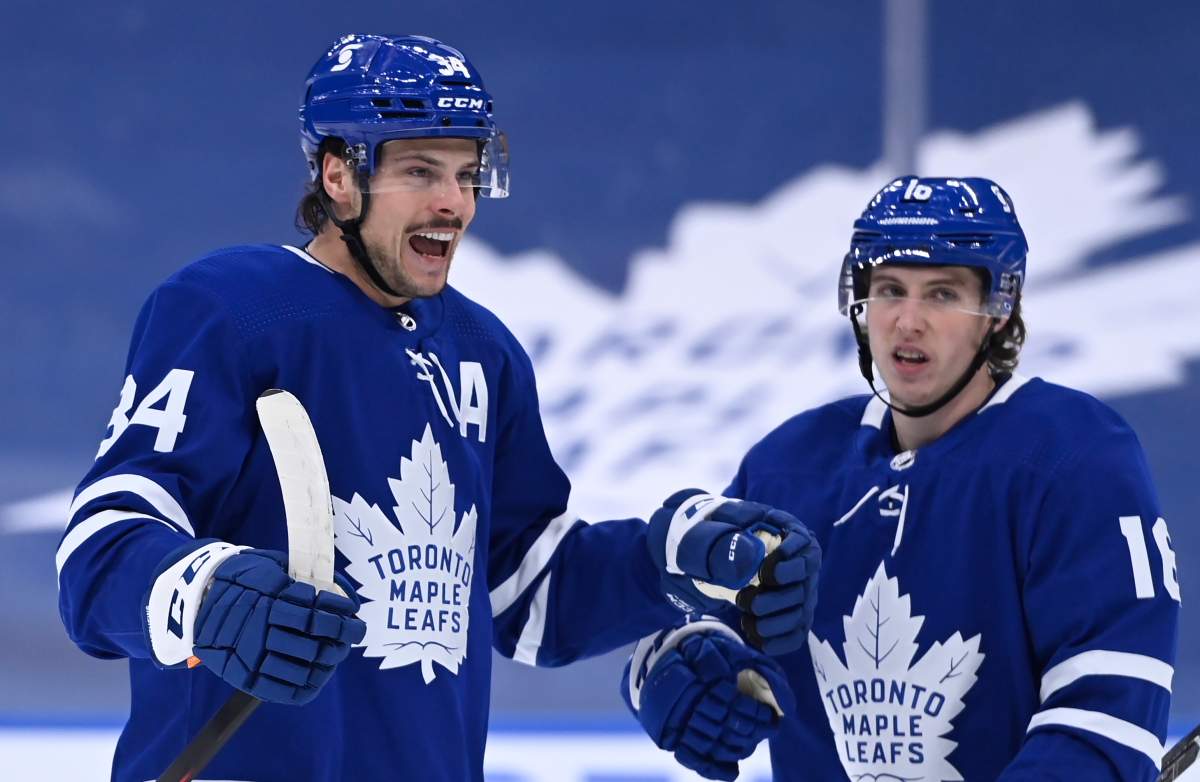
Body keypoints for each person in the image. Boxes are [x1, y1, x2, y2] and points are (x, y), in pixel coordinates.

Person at [54, 34, 820, 782]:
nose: (453, 203)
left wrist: (663, 559)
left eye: (468, 173)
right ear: (337, 177)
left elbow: (526, 594)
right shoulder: (232, 310)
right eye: (421, 171)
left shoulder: (484, 352)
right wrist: (205, 592)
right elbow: (101, 550)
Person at [625, 177, 1181, 781]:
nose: (907, 321)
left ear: (997, 311)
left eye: (941, 294)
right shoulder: (788, 469)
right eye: (889, 289)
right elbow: (672, 632)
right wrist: (681, 667)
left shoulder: (1076, 461)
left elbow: (1108, 712)